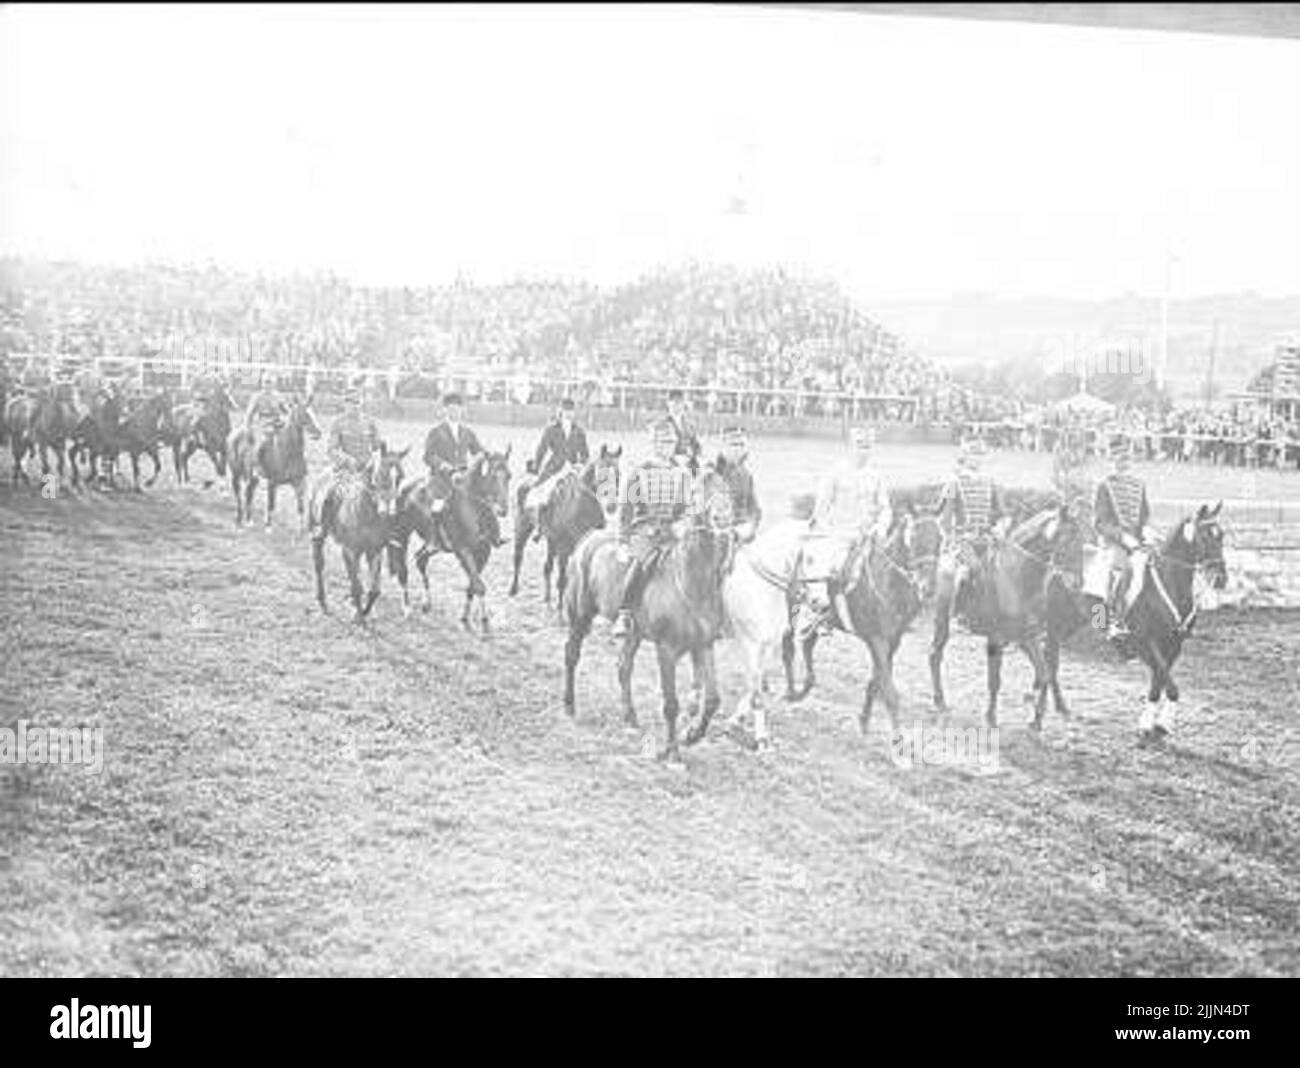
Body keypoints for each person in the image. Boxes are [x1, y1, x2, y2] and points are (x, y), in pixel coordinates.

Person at [794, 426, 893, 639]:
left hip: (867, 538)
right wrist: (833, 532)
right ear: (850, 446)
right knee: (832, 571)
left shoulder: (876, 476)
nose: (863, 450)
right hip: (838, 537)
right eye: (859, 445)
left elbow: (885, 508)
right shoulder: (835, 473)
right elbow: (821, 510)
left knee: (888, 569)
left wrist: (880, 528)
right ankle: (819, 617)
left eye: (868, 446)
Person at [611, 419, 694, 639]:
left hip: (673, 530)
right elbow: (626, 509)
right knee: (641, 563)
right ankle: (625, 613)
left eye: (670, 442)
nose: (667, 447)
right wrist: (623, 539)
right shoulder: (640, 471)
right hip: (645, 529)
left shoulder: (682, 472)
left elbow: (688, 507)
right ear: (654, 444)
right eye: (662, 442)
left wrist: (683, 523)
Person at [1084, 437, 1154, 640]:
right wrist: (1123, 537)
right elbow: (1100, 522)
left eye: (1126, 459)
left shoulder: (1139, 485)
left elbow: (1144, 516)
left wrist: (1147, 533)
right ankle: (1110, 621)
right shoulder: (1105, 486)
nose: (1122, 463)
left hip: (1137, 542)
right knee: (1120, 570)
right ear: (1111, 461)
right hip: (1113, 542)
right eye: (1118, 459)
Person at [935, 438, 1006, 618]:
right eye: (973, 454)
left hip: (988, 540)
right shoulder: (953, 482)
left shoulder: (991, 482)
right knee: (973, 569)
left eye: (981, 455)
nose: (977, 459)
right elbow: (945, 517)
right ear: (965, 456)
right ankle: (960, 613)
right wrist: (953, 537)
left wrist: (1000, 527)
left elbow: (1003, 514)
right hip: (963, 541)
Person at [422, 393, 503, 547]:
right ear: (444, 410)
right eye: (451, 409)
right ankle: (433, 540)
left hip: (464, 478)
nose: (455, 412)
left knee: (484, 502)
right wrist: (445, 467)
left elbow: (478, 451)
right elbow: (428, 456)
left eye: (458, 409)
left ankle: (493, 535)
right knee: (437, 507)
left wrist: (489, 453)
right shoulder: (435, 431)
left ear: (462, 411)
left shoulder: (467, 432)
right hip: (441, 479)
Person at [524, 397, 590, 542]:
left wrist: (580, 464)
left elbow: (586, 454)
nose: (568, 414)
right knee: (541, 493)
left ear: (574, 412)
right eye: (565, 410)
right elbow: (541, 451)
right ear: (560, 411)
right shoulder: (551, 429)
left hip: (573, 469)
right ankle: (540, 527)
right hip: (554, 469)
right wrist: (536, 468)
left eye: (571, 411)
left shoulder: (579, 431)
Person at [716, 425, 762, 543]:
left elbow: (754, 508)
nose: (737, 448)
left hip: (743, 534)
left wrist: (750, 527)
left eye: (741, 445)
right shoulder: (713, 473)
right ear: (723, 447)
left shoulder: (746, 475)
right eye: (733, 444)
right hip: (719, 539)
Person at [243, 370, 287, 469]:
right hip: (262, 423)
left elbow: (286, 411)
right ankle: (257, 464)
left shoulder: (279, 396)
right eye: (265, 382)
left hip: (277, 423)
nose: (267, 385)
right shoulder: (257, 397)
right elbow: (249, 413)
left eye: (269, 382)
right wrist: (247, 426)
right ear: (262, 383)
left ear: (274, 384)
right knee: (262, 442)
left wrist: (285, 418)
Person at [665, 388, 702, 475]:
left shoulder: (690, 424)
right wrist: (674, 458)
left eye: (679, 401)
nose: (675, 404)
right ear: (668, 403)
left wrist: (692, 454)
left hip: (688, 461)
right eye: (673, 401)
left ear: (682, 404)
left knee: (700, 479)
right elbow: (659, 450)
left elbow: (697, 445)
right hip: (669, 463)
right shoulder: (662, 423)